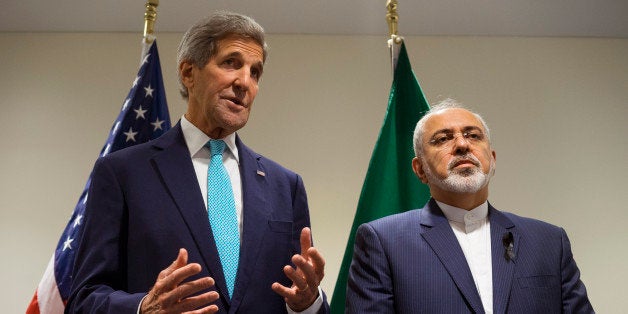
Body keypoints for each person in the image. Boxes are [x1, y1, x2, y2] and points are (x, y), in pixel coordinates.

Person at [67, 12, 329, 314]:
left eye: (255, 72)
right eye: (231, 63)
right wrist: (143, 308)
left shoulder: (286, 185)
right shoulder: (122, 173)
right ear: (188, 73)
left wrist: (307, 303)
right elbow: (84, 300)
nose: (245, 82)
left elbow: (300, 289)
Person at [346, 99, 593, 313]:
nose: (462, 145)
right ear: (420, 169)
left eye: (473, 135)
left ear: (492, 160)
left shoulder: (549, 241)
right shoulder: (383, 241)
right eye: (443, 139)